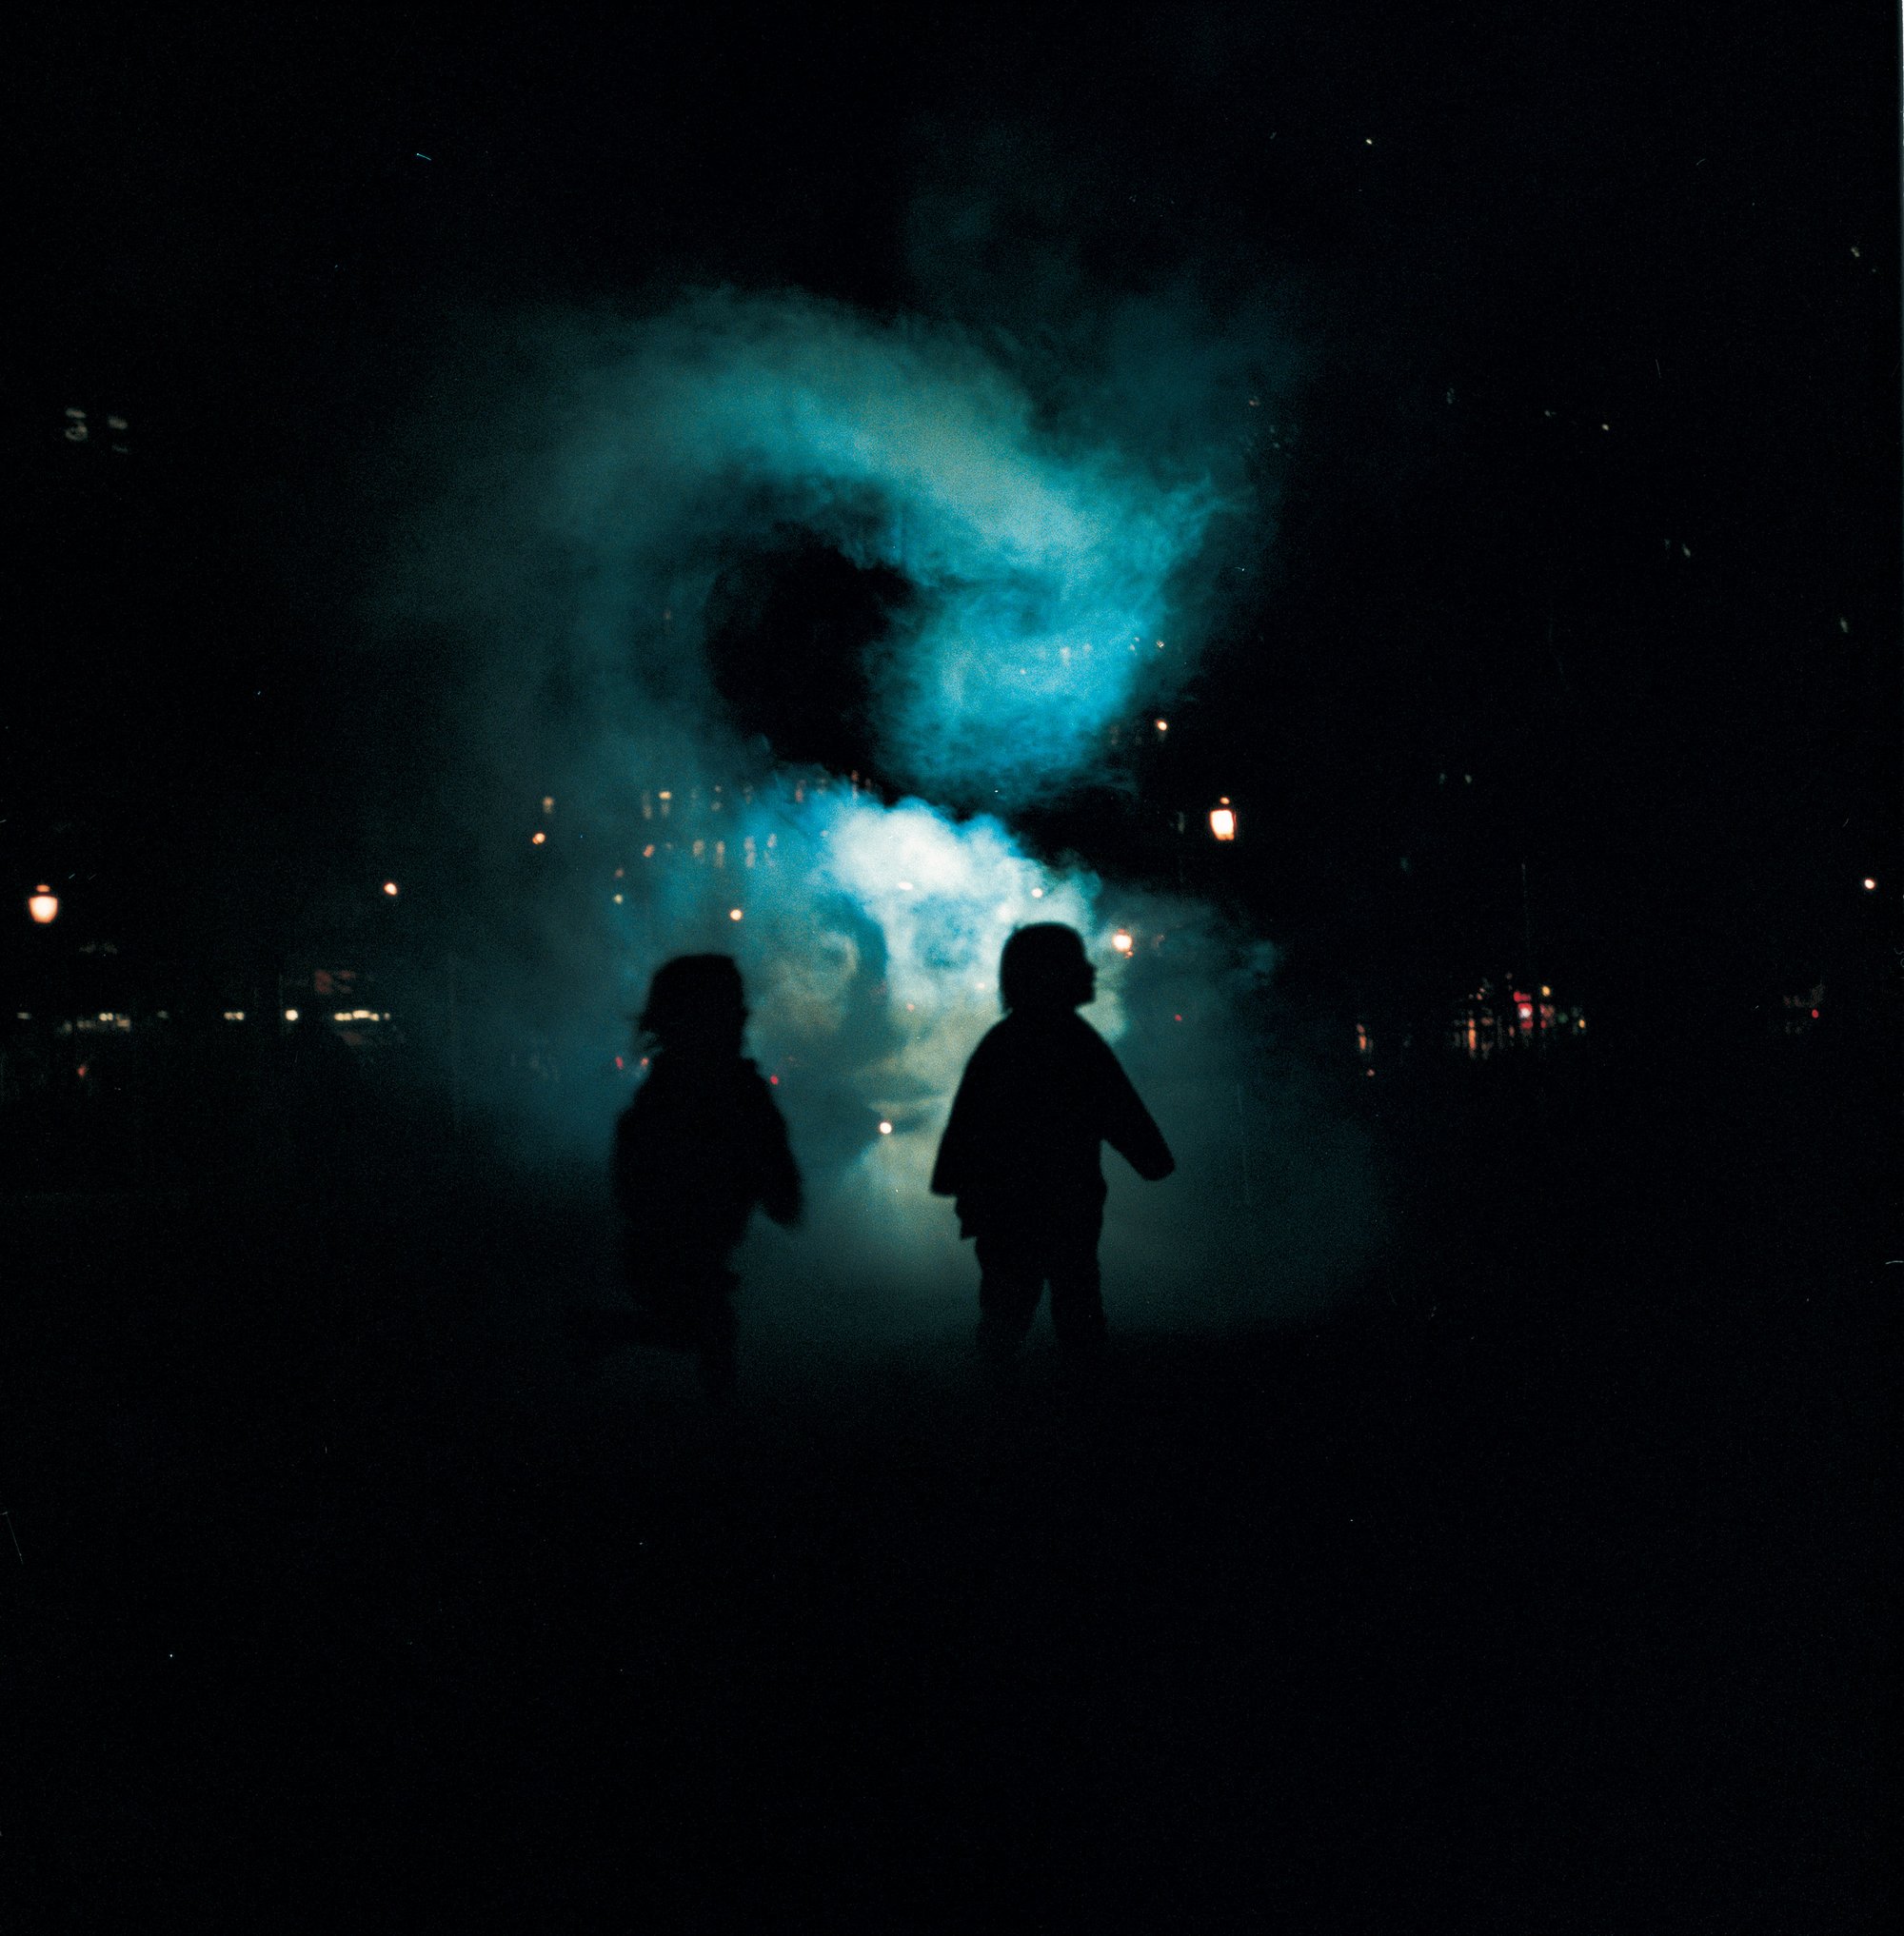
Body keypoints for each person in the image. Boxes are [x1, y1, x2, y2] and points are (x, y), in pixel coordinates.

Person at [931, 923, 1174, 1364]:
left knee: (1006, 1314)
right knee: (1076, 1311)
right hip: (1065, 1201)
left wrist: (957, 1183)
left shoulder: (1004, 1042)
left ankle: (990, 1413)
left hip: (1007, 1206)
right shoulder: (1074, 1041)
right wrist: (1153, 1161)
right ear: (1052, 973)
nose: (1090, 969)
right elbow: (1120, 1110)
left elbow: (965, 1123)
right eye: (1077, 961)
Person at [605, 954, 802, 1396]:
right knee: (710, 1339)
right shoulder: (728, 1092)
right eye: (733, 1005)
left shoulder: (665, 1092)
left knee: (707, 1337)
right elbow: (781, 1194)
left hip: (666, 1252)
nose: (744, 1015)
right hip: (676, 1253)